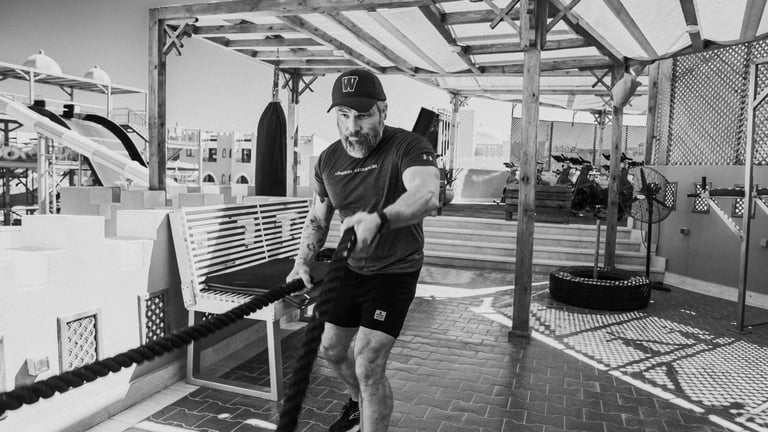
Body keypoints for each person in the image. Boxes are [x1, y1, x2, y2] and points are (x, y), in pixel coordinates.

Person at [286, 69, 440, 432]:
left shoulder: (409, 146)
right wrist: (301, 261)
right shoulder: (327, 161)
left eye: (363, 115)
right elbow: (318, 217)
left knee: (367, 362)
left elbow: (426, 194)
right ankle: (358, 405)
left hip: (395, 270)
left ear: (383, 111)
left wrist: (380, 219)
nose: (352, 127)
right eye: (343, 115)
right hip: (351, 268)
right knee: (331, 349)